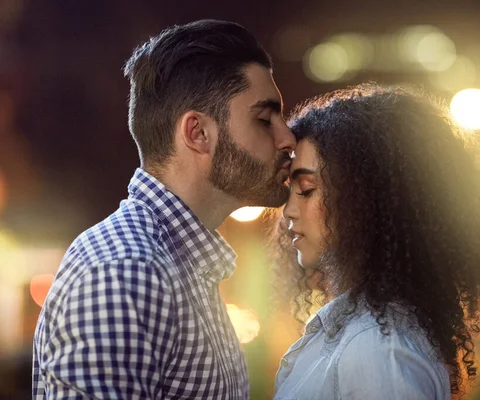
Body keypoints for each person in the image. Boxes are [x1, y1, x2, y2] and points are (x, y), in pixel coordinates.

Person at [32, 19, 295, 399]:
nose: (287, 137)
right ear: (197, 133)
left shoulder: (178, 268)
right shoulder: (127, 270)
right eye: (264, 118)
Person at [273, 83, 480, 399]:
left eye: (305, 188)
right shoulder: (373, 336)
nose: (288, 211)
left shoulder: (379, 349)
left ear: (367, 199)